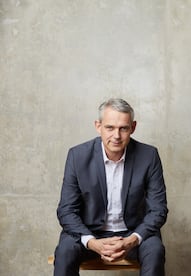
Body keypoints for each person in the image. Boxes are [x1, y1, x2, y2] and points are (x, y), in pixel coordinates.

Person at [53, 98, 168, 276]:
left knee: (155, 250)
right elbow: (66, 211)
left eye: (124, 128)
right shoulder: (77, 156)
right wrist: (92, 242)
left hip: (132, 233)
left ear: (133, 127)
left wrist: (131, 240)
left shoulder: (149, 156)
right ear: (98, 126)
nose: (116, 135)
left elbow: (158, 210)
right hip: (89, 232)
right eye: (110, 128)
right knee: (65, 251)